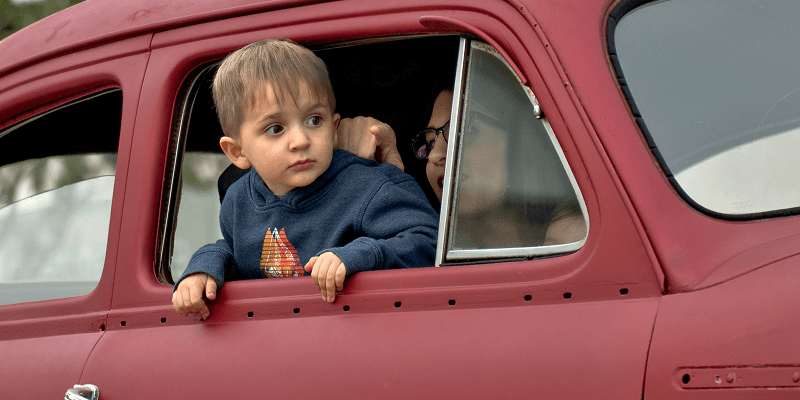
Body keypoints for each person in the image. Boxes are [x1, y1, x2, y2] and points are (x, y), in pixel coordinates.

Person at [172, 39, 439, 320]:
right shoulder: (238, 201)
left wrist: (358, 255)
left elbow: (429, 241)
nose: (301, 141)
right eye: (276, 128)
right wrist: (203, 269)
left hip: (361, 330)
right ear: (237, 152)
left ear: (333, 128)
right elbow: (239, 252)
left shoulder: (369, 186)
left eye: (314, 120)